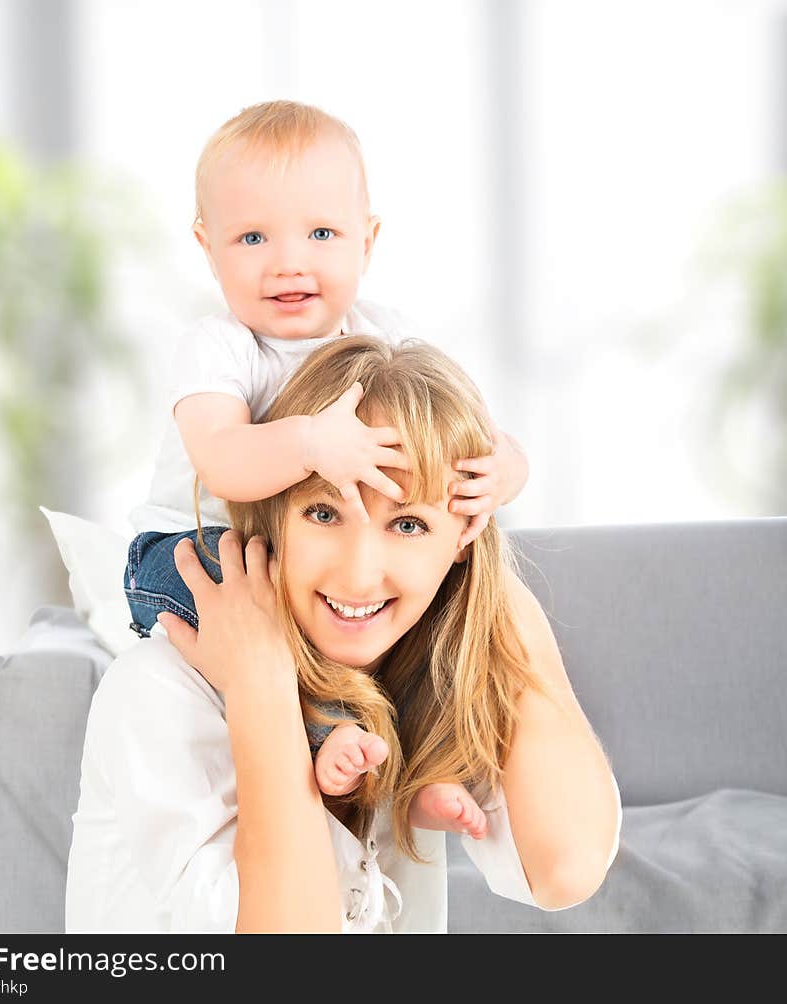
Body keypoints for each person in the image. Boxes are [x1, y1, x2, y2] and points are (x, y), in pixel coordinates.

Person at [66, 335, 622, 933]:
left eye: (408, 523)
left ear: (461, 539)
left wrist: (490, 599)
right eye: (324, 514)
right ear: (274, 516)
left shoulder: (408, 672)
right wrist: (263, 689)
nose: (359, 575)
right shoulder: (158, 692)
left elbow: (565, 867)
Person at [124, 99, 530, 809]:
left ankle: (426, 765)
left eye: (321, 233)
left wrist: (504, 469)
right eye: (252, 238)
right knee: (258, 596)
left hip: (311, 557)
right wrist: (313, 442)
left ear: (367, 241)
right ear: (205, 244)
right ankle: (325, 730)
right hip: (195, 553)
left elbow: (465, 431)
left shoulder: (383, 331)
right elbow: (221, 460)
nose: (289, 263)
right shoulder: (220, 348)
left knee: (411, 601)